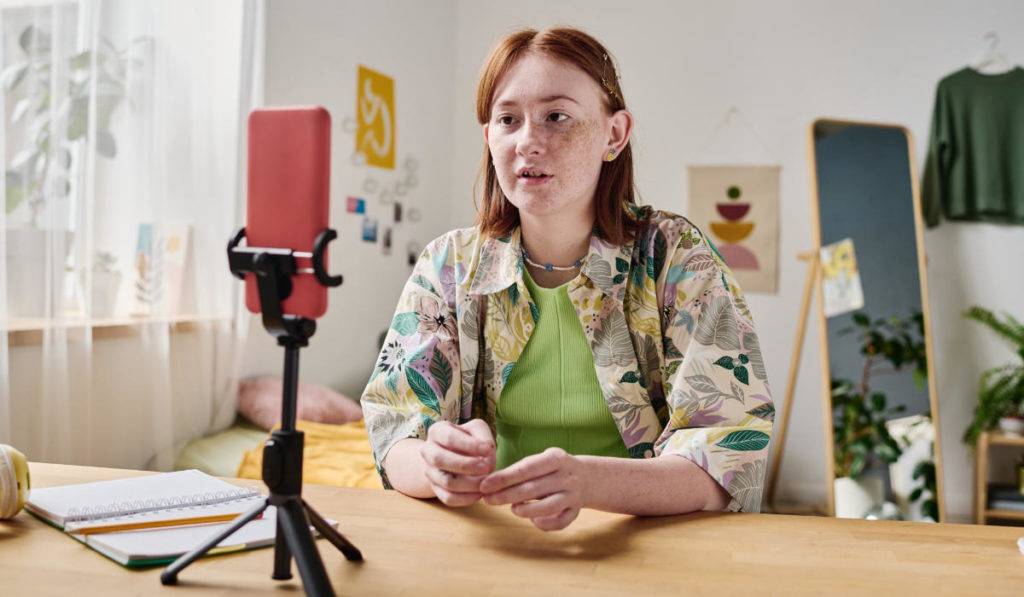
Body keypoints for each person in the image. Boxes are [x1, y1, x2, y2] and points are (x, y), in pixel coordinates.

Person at [361, 27, 773, 532]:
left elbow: (730, 452)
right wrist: (434, 465)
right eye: (507, 120)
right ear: (489, 137)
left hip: (648, 541)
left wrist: (589, 483)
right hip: (502, 540)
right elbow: (393, 427)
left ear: (614, 135)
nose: (528, 141)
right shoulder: (448, 267)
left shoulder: (677, 259)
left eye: (557, 116)